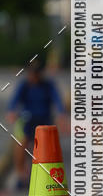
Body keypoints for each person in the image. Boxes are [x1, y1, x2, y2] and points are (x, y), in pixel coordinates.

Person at [6, 58, 65, 189]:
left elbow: (57, 100)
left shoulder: (48, 85)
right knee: (21, 144)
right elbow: (14, 101)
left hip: (44, 120)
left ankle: (47, 176)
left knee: (47, 149)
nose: (34, 76)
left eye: (37, 73)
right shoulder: (24, 85)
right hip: (27, 119)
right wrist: (11, 112)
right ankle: (21, 174)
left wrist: (61, 114)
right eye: (32, 73)